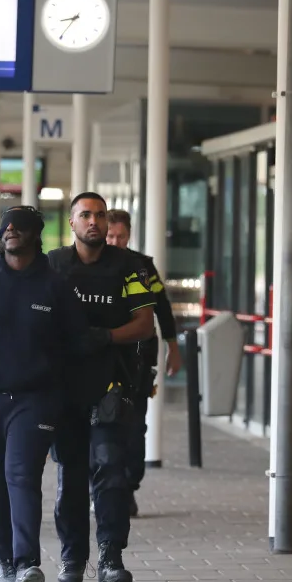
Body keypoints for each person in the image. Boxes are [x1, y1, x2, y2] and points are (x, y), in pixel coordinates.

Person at [0, 205, 92, 582]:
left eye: (20, 227)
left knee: (22, 476)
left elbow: (73, 340)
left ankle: (28, 563)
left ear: (36, 234)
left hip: (35, 401)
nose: (11, 232)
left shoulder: (54, 286)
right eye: (6, 227)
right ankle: (7, 562)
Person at [47, 192, 156, 582]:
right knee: (71, 477)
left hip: (112, 388)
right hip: (64, 391)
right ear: (72, 223)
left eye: (100, 215)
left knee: (111, 473)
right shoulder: (54, 266)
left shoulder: (128, 267)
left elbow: (145, 324)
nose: (94, 221)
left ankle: (111, 558)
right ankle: (73, 558)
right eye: (85, 215)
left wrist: (105, 336)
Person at [105, 209, 182, 517]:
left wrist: (172, 348)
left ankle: (127, 486)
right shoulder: (90, 266)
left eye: (120, 236)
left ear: (129, 235)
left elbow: (162, 309)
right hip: (102, 361)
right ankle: (106, 489)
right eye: (110, 235)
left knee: (135, 429)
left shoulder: (142, 267)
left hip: (137, 362)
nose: (114, 241)